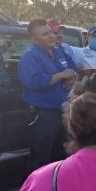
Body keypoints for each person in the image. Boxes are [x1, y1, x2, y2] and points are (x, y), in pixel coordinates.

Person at [18, 19, 79, 171]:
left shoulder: (60, 52)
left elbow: (73, 69)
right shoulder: (30, 57)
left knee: (62, 155)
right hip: (44, 115)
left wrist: (71, 75)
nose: (51, 36)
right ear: (34, 39)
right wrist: (61, 75)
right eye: (45, 34)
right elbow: (33, 82)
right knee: (41, 157)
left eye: (51, 32)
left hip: (64, 112)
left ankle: (58, 189)